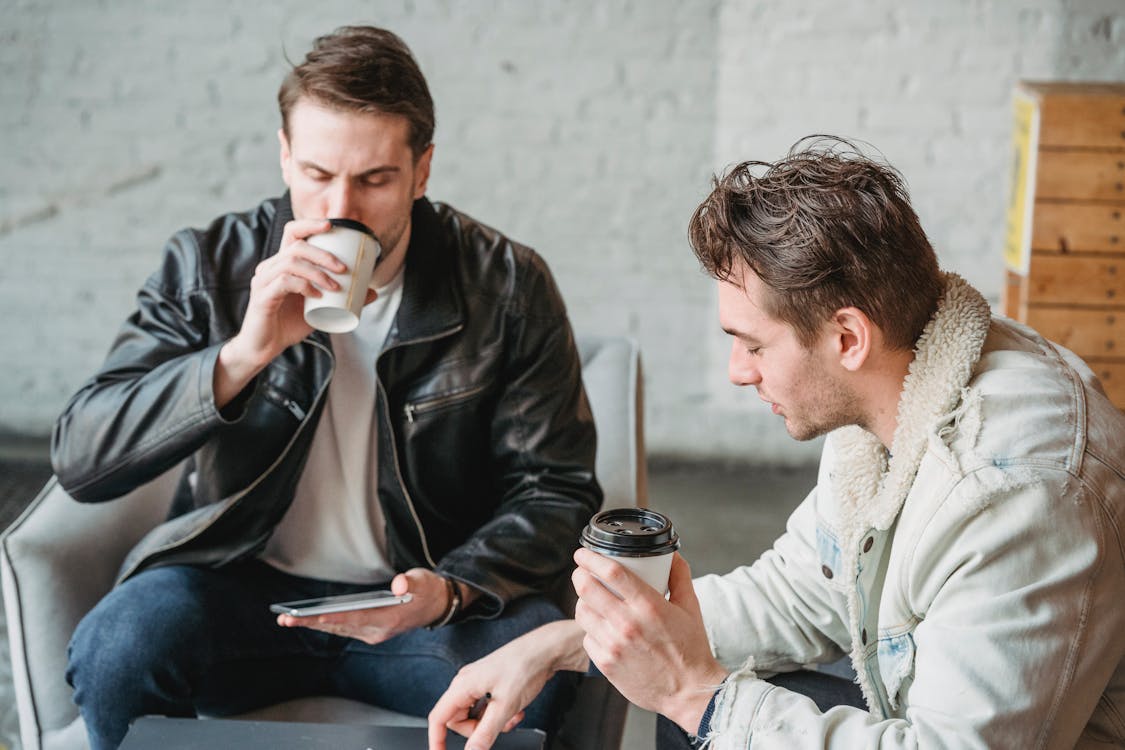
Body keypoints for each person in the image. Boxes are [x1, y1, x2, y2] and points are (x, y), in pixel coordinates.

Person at [427, 136, 1125, 749]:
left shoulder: (1014, 491)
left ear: (846, 338)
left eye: (753, 345)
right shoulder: (895, 394)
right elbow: (800, 592)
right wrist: (564, 644)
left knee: (702, 711)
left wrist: (690, 692)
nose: (737, 372)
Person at [52, 26, 601, 750]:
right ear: (283, 154)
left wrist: (451, 588)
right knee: (119, 646)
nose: (339, 208)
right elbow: (84, 459)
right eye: (314, 173)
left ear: (422, 170)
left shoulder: (505, 284)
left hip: (420, 609)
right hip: (239, 590)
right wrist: (243, 355)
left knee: (538, 665)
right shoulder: (210, 265)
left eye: (374, 179)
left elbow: (556, 488)